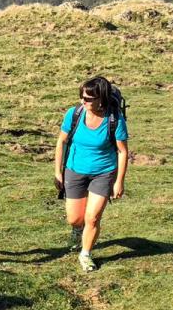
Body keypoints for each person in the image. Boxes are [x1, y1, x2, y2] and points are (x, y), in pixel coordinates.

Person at [53, 76, 129, 273]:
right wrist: (57, 171)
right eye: (82, 97)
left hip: (103, 172)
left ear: (100, 99)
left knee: (93, 217)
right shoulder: (74, 114)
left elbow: (122, 151)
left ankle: (85, 254)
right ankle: (77, 231)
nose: (83, 102)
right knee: (75, 218)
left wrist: (119, 181)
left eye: (88, 99)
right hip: (75, 170)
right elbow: (61, 142)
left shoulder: (114, 119)